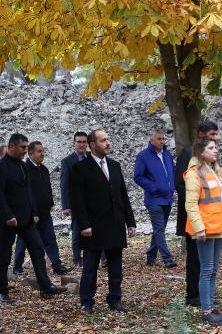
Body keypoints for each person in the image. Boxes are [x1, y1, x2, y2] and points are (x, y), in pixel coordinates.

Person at [70, 129, 136, 314]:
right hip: (93, 225)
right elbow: (77, 200)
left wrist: (130, 222)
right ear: (92, 145)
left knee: (115, 266)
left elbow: (123, 195)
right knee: (90, 266)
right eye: (103, 140)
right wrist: (84, 225)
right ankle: (87, 301)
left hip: (115, 223)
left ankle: (114, 299)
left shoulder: (114, 166)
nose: (108, 143)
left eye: (108, 139)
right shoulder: (80, 168)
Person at [0, 133, 67, 303]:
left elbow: (28, 192)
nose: (25, 151)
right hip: (7, 221)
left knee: (38, 251)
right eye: (22, 147)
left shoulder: (22, 167)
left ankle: (45, 287)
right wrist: (8, 216)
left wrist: (34, 212)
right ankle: (3, 292)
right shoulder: (2, 166)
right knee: (4, 256)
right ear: (12, 146)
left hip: (27, 219)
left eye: (26, 147)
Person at [184, 138, 222, 325]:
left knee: (212, 271)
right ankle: (206, 311)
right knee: (206, 270)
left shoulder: (216, 172)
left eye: (216, 147)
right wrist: (199, 228)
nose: (216, 150)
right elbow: (191, 204)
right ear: (200, 152)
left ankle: (211, 306)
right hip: (205, 229)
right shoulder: (194, 174)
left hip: (217, 227)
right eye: (211, 148)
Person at [175, 120, 220, 306]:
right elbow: (181, 184)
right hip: (194, 217)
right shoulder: (188, 154)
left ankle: (206, 295)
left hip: (210, 218)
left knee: (209, 263)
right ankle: (193, 295)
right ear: (201, 134)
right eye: (212, 135)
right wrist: (198, 207)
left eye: (216, 135)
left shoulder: (210, 157)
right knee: (195, 258)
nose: (216, 139)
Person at [12, 141, 73, 276]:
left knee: (50, 239)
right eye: (39, 151)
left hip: (44, 212)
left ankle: (57, 266)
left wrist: (49, 203)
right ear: (31, 153)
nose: (42, 154)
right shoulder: (24, 169)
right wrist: (30, 211)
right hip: (28, 214)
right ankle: (17, 267)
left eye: (43, 151)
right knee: (23, 241)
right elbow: (24, 192)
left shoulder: (44, 169)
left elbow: (47, 189)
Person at [134, 130, 177, 268]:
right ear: (151, 140)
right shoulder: (143, 156)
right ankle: (168, 259)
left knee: (160, 229)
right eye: (159, 138)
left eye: (163, 138)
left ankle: (151, 256)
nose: (162, 141)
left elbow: (173, 171)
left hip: (167, 198)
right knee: (159, 229)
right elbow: (138, 177)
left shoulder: (167, 154)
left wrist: (173, 186)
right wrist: (154, 187)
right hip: (154, 199)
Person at [60, 131, 88, 266]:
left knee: (96, 229)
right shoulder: (67, 161)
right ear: (74, 144)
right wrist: (65, 205)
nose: (82, 144)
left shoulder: (92, 158)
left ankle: (98, 256)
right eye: (79, 142)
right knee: (77, 230)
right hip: (76, 203)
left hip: (92, 202)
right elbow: (64, 184)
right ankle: (77, 258)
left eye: (84, 142)